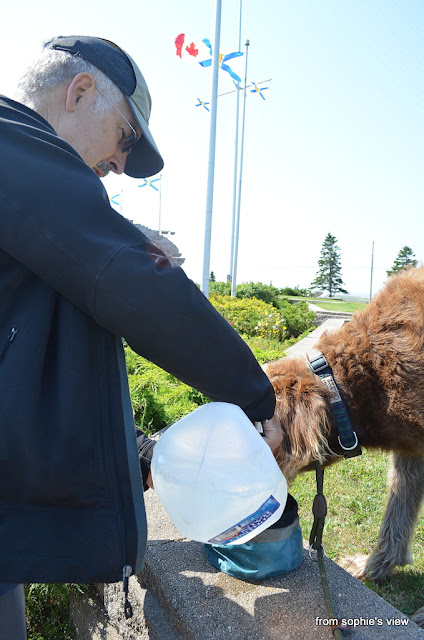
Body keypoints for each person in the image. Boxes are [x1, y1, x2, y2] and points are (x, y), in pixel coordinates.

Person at [0, 36, 282, 636]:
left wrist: (135, 448)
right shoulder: (10, 140)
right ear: (79, 92)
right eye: (126, 138)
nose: (121, 166)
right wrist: (256, 396)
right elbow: (131, 285)